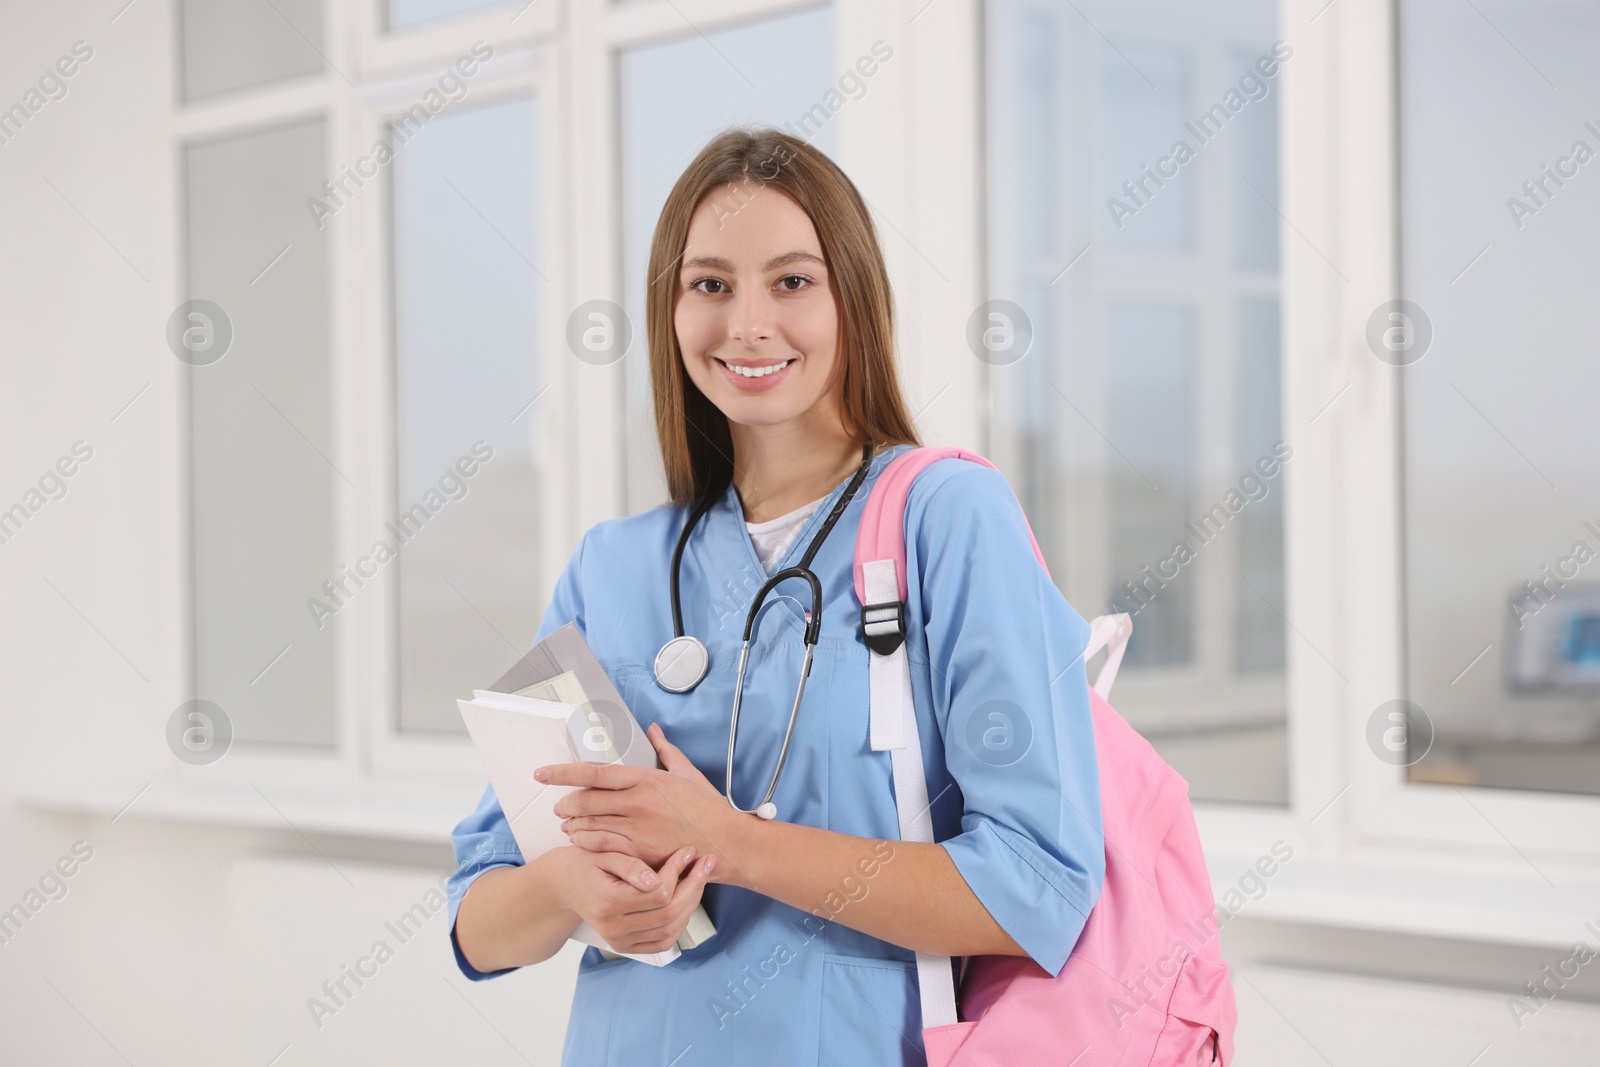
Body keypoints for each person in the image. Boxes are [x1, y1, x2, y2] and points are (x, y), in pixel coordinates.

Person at [446, 126, 1104, 1066]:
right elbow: (478, 922)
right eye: (709, 284)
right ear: (670, 310)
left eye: (792, 281)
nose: (747, 324)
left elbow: (1037, 887)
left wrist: (729, 842)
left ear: (854, 301)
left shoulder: (945, 517)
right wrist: (570, 891)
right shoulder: (613, 566)